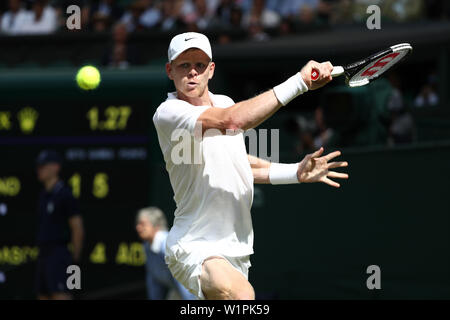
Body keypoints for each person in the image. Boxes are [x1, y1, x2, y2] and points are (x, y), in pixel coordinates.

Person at [152, 32, 349, 300]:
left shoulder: (224, 102)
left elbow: (238, 163)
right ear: (169, 70)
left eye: (199, 65)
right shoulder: (169, 113)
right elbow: (232, 122)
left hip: (237, 249)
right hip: (195, 244)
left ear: (211, 70)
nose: (192, 73)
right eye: (184, 65)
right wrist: (300, 82)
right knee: (242, 296)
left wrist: (295, 172)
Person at [35, 150, 84, 300]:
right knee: (42, 295)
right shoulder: (43, 195)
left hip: (61, 256)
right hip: (44, 255)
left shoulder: (65, 194)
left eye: (44, 166)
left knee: (62, 295)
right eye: (39, 166)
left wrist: (74, 260)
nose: (39, 170)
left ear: (56, 167)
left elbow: (77, 227)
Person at [135, 207, 196, 300]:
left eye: (142, 224)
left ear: (156, 226)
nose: (138, 227)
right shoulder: (147, 247)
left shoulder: (168, 246)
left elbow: (184, 281)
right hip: (179, 291)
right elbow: (154, 281)